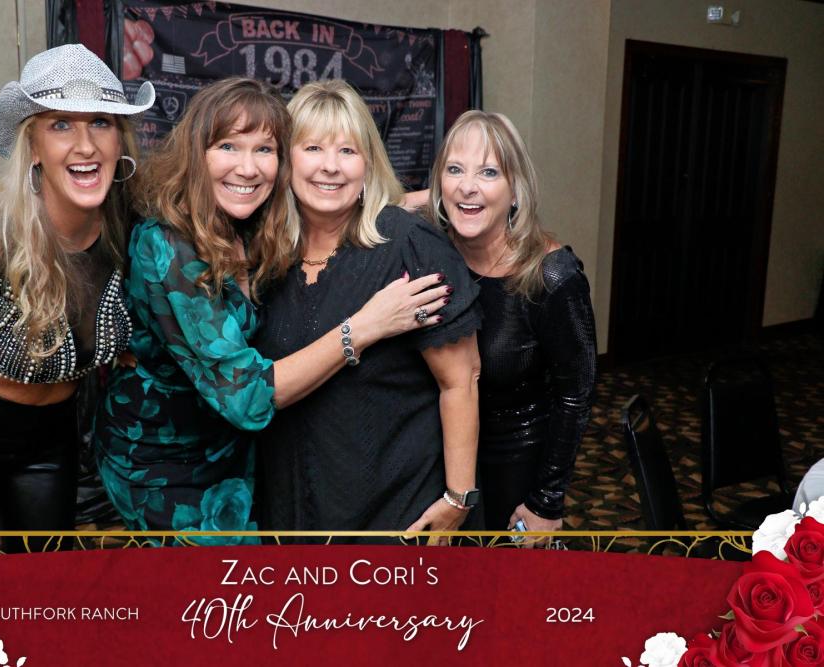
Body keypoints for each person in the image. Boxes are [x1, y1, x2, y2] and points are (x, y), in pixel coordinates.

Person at [92, 78, 451, 544]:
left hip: (238, 456)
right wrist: (364, 327)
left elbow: (332, 199)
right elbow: (247, 396)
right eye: (227, 146)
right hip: (164, 465)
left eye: (264, 149)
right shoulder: (168, 246)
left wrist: (440, 200)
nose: (247, 168)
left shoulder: (252, 219)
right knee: (220, 583)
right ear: (196, 152)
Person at [0, 44, 154, 556]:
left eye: (100, 122)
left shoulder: (130, 234)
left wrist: (118, 343)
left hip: (51, 439)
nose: (85, 144)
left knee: (43, 582)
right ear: (33, 146)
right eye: (61, 125)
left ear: (119, 139)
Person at [254, 80, 482, 541]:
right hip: (290, 502)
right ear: (286, 161)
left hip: (393, 509)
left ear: (368, 164)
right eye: (313, 148)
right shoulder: (265, 251)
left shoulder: (407, 246)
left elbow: (461, 380)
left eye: (348, 151)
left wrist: (458, 498)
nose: (330, 166)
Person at [427, 110, 596, 545]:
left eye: (488, 172)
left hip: (515, 471)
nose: (467, 186)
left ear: (516, 190)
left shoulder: (552, 275)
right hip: (436, 469)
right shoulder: (429, 255)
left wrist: (546, 501)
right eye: (454, 170)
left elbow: (575, 396)